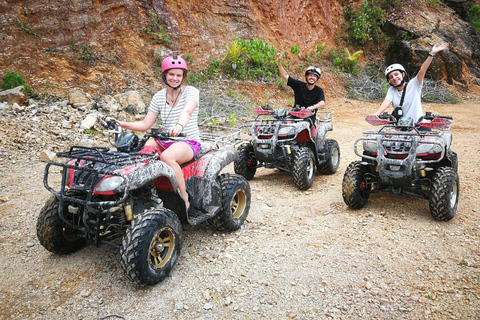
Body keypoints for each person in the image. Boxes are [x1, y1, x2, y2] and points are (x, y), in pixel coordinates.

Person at [113, 55, 200, 210]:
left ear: (183, 77)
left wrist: (179, 125)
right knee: (140, 153)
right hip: (165, 139)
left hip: (187, 141)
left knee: (167, 157)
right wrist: (121, 123)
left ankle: (184, 198)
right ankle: (139, 193)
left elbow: (187, 111)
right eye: (171, 74)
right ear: (164, 75)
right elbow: (145, 123)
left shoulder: (191, 92)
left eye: (179, 75)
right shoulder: (159, 96)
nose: (175, 78)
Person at [374, 43, 449, 123]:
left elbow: (422, 71)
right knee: (387, 134)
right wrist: (377, 113)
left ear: (403, 74)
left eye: (396, 74)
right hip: (401, 125)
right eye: (391, 77)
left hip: (417, 124)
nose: (394, 78)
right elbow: (386, 101)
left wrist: (431, 54)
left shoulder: (414, 84)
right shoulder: (392, 90)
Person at [276, 51, 325, 124]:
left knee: (304, 125)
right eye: (310, 75)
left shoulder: (319, 91)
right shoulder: (299, 85)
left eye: (315, 76)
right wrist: (279, 62)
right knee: (281, 124)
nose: (312, 77)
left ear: (317, 78)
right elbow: (285, 76)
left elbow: (322, 102)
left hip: (308, 118)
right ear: (306, 76)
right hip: (294, 115)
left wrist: (313, 107)